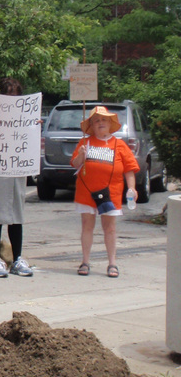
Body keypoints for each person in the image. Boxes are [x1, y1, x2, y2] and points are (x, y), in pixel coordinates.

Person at [71, 105, 138, 278]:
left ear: (110, 123)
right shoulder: (84, 142)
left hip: (111, 193)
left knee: (110, 228)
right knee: (87, 226)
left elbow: (129, 169)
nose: (100, 123)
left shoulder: (120, 145)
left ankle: (112, 263)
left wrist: (132, 188)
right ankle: (85, 261)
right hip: (86, 194)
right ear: (91, 125)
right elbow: (75, 163)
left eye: (103, 120)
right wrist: (81, 155)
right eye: (96, 120)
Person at [0, 77, 34, 278]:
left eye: (14, 94)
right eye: (7, 94)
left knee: (16, 214)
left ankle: (17, 258)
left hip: (16, 168)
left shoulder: (25, 115)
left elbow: (30, 141)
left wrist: (34, 125)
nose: (11, 98)